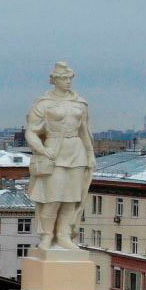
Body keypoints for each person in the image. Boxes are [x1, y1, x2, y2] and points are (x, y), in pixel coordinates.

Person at [24, 61, 94, 251]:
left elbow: (84, 131)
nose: (68, 81)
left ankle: (63, 235)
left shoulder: (80, 102)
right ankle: (47, 235)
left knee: (71, 198)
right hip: (54, 152)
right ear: (54, 80)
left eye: (70, 78)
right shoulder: (44, 104)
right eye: (63, 78)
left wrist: (90, 154)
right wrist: (42, 149)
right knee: (52, 198)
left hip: (76, 151)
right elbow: (31, 132)